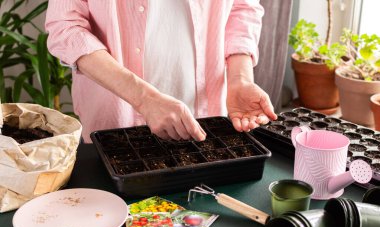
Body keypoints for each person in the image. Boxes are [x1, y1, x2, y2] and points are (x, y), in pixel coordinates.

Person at [45, 0, 277, 143]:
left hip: (205, 115)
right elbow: (65, 27)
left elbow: (242, 8)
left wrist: (240, 79)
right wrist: (145, 99)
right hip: (117, 119)